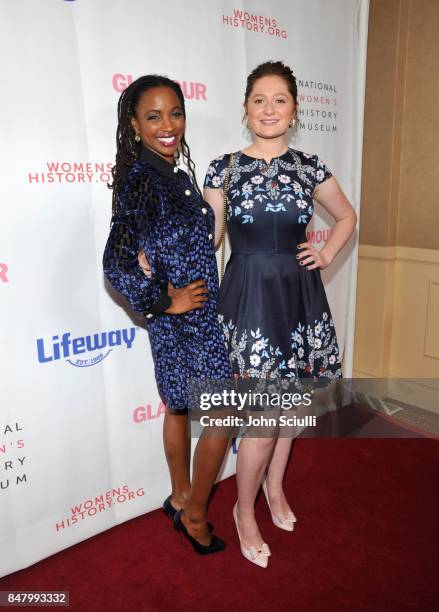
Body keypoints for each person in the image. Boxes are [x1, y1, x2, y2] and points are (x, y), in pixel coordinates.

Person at [203, 61, 357, 567]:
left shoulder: (310, 165)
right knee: (263, 419)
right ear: (246, 110)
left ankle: (274, 488)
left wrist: (329, 252)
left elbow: (346, 215)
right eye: (258, 100)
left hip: (298, 296)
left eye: (280, 100)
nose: (269, 109)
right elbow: (212, 239)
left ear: (294, 111)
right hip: (248, 298)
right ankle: (242, 511)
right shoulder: (222, 168)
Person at [103, 75, 232, 555]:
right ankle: (196, 516)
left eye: (175, 112)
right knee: (222, 416)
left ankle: (181, 496)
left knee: (177, 407)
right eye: (153, 116)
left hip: (190, 322)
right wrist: (162, 300)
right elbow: (115, 261)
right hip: (185, 323)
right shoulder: (143, 180)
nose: (168, 124)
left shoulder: (173, 175)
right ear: (135, 125)